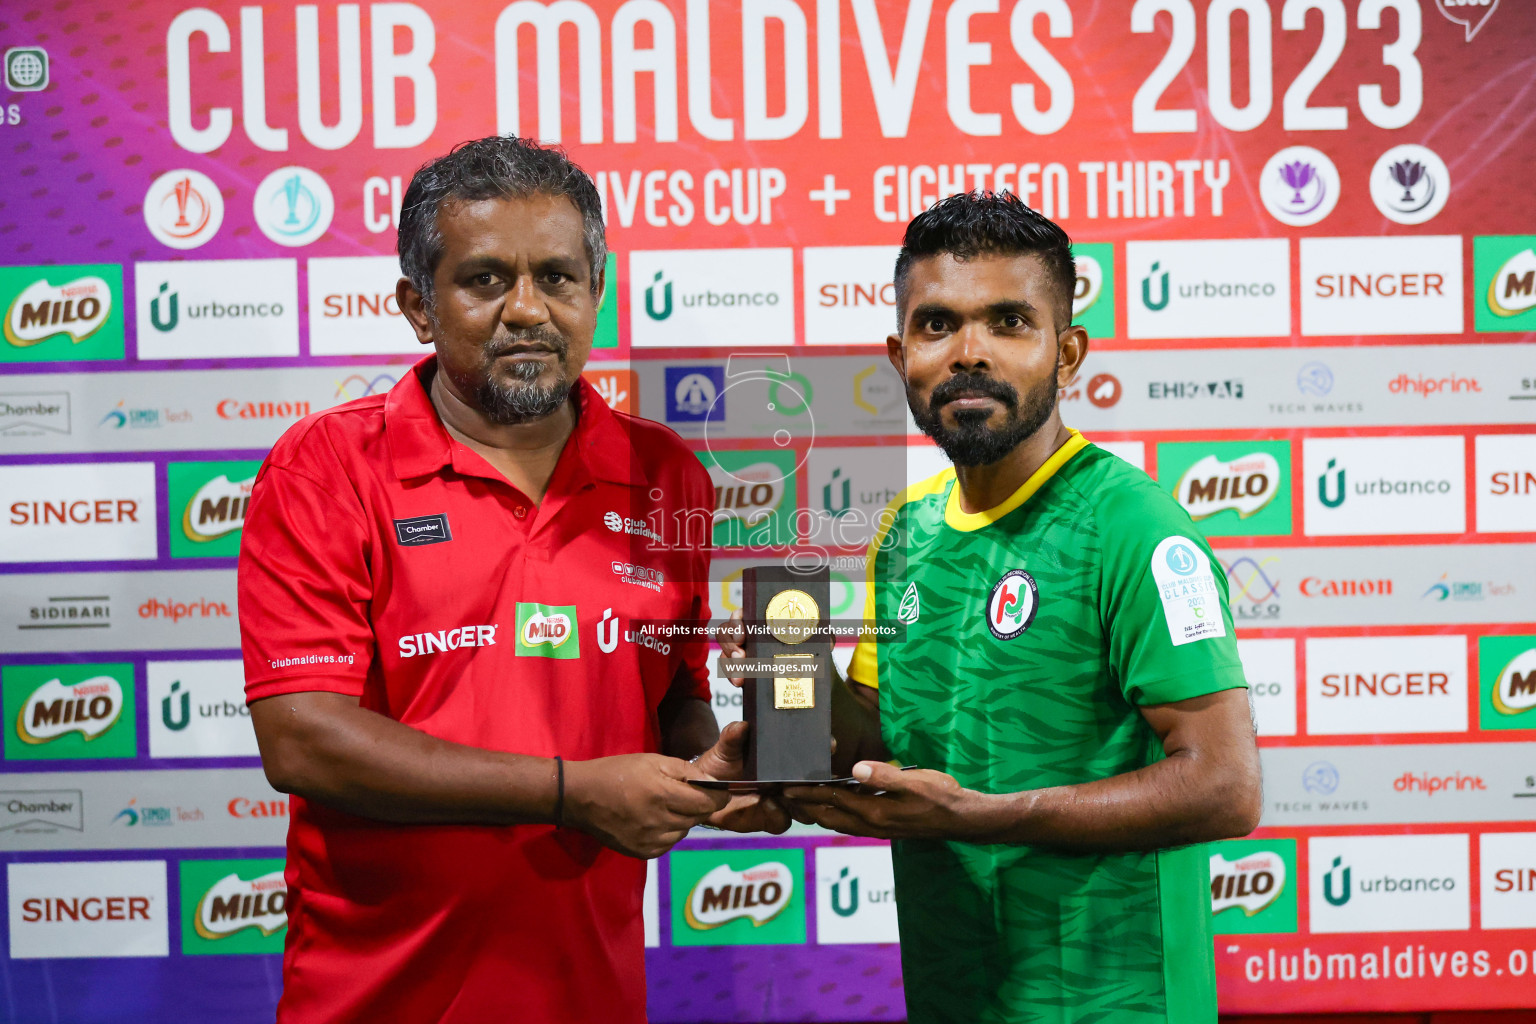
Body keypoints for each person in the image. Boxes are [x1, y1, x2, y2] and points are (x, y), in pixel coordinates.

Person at [238, 136, 782, 1024]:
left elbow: (667, 701)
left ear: (595, 293)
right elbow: (303, 741)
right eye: (486, 279)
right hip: (376, 1001)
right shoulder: (326, 469)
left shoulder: (668, 474)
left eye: (559, 278)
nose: (527, 309)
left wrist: (719, 770)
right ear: (419, 305)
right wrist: (571, 794)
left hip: (591, 995)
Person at [729, 191, 1262, 1023]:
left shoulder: (1134, 526)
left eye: (1009, 323)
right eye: (938, 325)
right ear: (899, 352)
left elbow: (1225, 788)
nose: (968, 353)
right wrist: (796, 686)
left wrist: (983, 818)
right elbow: (881, 738)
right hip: (957, 996)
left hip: (1116, 1005)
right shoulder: (905, 531)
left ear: (1068, 352)